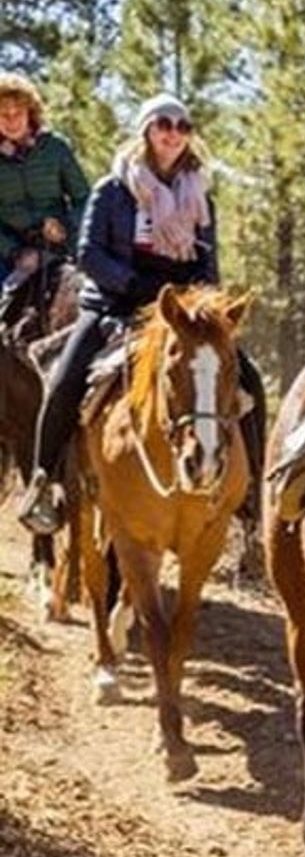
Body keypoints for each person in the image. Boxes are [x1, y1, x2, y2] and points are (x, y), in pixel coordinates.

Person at [19, 93, 266, 535]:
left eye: (182, 127)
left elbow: (209, 267)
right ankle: (44, 483)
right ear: (147, 131)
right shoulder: (113, 189)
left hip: (182, 312)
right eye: (163, 124)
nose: (173, 133)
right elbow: (88, 253)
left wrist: (198, 304)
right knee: (64, 381)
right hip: (116, 302)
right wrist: (136, 288)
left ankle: (251, 496)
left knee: (247, 379)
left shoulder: (200, 196)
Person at [0, 72, 89, 333]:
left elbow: (83, 198)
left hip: (60, 248)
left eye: (18, 111)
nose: (11, 119)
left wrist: (65, 227)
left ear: (31, 112)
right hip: (7, 253)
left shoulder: (56, 148)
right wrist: (15, 252)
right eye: (3, 113)